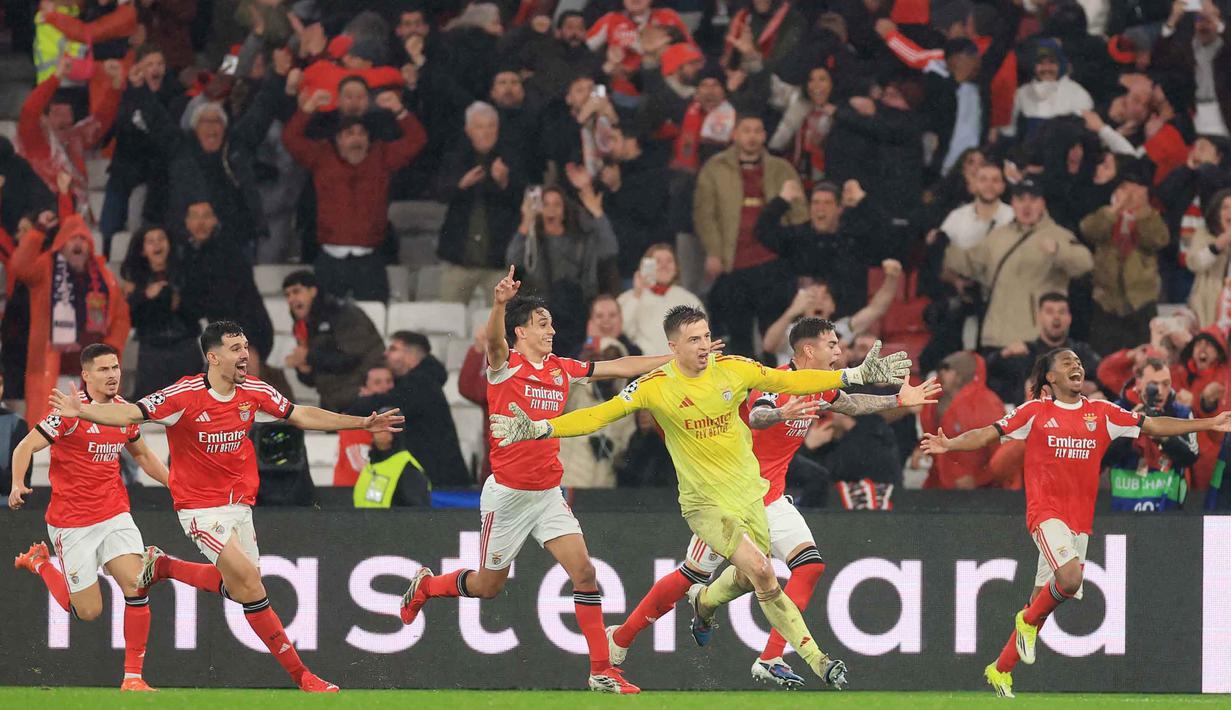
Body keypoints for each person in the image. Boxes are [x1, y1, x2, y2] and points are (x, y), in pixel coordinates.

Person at [490, 304, 914, 688]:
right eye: (693, 339)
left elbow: (790, 379)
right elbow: (598, 415)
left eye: (707, 336)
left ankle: (701, 605)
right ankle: (812, 660)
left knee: (747, 576)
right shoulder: (655, 386)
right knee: (760, 573)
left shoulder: (735, 368)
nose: (704, 346)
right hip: (708, 504)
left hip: (754, 494)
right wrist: (543, 427)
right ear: (673, 347)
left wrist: (857, 376)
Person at [47, 320, 407, 693]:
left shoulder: (254, 391)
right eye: (236, 349)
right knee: (250, 584)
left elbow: (301, 414)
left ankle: (165, 565)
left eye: (246, 347)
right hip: (199, 509)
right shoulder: (183, 395)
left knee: (242, 591)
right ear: (213, 356)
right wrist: (85, 412)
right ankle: (303, 676)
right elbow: (131, 413)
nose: (245, 355)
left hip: (240, 506)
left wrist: (361, 422)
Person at [606, 317, 938, 687]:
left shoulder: (818, 386)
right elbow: (761, 413)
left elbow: (849, 403)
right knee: (692, 575)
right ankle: (620, 639)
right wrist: (781, 413)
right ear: (808, 350)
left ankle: (769, 655)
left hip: (772, 497)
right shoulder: (772, 380)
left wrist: (897, 399)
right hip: (729, 499)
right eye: (832, 345)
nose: (838, 352)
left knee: (808, 566)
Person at [399, 267, 683, 694]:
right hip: (508, 497)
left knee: (585, 572)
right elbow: (492, 342)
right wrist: (497, 303)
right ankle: (428, 585)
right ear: (521, 332)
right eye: (543, 324)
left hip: (548, 494)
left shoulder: (560, 368)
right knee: (486, 585)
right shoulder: (504, 366)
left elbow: (618, 366)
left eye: (551, 323)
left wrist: (673, 359)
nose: (552, 330)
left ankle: (601, 670)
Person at [920, 347, 1231, 698]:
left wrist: (1209, 422)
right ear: (1050, 378)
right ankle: (1023, 622)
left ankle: (1001, 668)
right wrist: (951, 445)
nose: (1077, 366)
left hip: (1079, 521)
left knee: (1041, 601)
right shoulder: (1036, 412)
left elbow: (1153, 425)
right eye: (1067, 362)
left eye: (1079, 362)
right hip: (1045, 512)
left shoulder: (1102, 413)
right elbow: (989, 433)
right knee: (1069, 579)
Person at [9, 344, 175, 691]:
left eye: (115, 367)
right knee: (88, 612)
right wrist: (17, 484)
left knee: (136, 583)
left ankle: (132, 678)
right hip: (72, 523)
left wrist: (176, 484)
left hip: (114, 512)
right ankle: (41, 562)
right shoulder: (69, 414)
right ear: (86, 375)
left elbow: (142, 454)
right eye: (103, 369)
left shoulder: (122, 413)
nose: (113, 374)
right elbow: (25, 447)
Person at [282, 88, 427, 302]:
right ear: (338, 140)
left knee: (374, 320)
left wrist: (399, 110)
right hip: (329, 259)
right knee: (326, 322)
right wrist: (309, 108)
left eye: (361, 134)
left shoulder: (382, 157)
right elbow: (290, 138)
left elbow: (417, 139)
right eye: (349, 134)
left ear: (369, 139)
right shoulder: (322, 156)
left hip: (370, 260)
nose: (356, 139)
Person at [695, 113, 806, 357]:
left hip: (774, 264)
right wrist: (714, 252)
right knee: (738, 336)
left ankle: (776, 391)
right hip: (733, 264)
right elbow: (705, 214)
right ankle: (745, 393)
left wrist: (792, 252)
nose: (752, 137)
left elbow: (800, 214)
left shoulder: (782, 168)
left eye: (758, 131)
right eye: (746, 130)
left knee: (775, 337)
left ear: (765, 136)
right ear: (735, 134)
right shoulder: (715, 168)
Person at [944, 177, 1093, 351]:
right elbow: (969, 262)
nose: (1026, 206)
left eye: (1033, 200)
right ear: (1013, 203)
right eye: (1021, 200)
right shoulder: (998, 236)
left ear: (1043, 204)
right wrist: (942, 247)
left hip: (1035, 338)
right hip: (995, 335)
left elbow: (1085, 264)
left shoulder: (1058, 235)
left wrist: (1058, 251)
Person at [10, 207, 130, 424]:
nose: (78, 244)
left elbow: (121, 317)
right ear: (61, 244)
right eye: (72, 239)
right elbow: (19, 266)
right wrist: (38, 231)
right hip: (52, 367)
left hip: (92, 371)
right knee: (49, 432)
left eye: (82, 239)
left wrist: (110, 348)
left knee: (91, 434)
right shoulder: (46, 268)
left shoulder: (104, 276)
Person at [351, 331, 469, 489]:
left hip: (438, 481)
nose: (386, 354)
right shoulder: (420, 381)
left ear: (410, 355)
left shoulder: (421, 383)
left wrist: (358, 402)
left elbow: (389, 404)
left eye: (393, 349)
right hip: (436, 476)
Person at [436, 102, 525, 303]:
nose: (485, 132)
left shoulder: (511, 159)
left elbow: (523, 201)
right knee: (448, 319)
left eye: (490, 126)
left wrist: (504, 182)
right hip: (458, 259)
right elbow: (439, 194)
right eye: (479, 127)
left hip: (498, 261)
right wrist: (461, 185)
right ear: (468, 130)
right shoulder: (455, 158)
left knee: (501, 323)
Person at [1080, 160, 1169, 354]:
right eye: (1125, 188)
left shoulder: (1152, 218)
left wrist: (1142, 213)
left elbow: (1159, 240)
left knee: (1143, 357)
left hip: (1140, 303)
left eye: (1137, 189)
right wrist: (1115, 209)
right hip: (1106, 302)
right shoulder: (1106, 214)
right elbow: (1088, 230)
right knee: (1104, 361)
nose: (1130, 194)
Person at [281, 270, 385, 412]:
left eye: (296, 291)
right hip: (331, 400)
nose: (291, 299)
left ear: (313, 291)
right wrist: (303, 370)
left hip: (361, 397)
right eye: (287, 295)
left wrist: (308, 357)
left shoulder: (345, 314)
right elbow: (313, 379)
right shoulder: (301, 326)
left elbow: (351, 358)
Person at [1105, 357, 1199, 511]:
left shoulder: (1181, 412)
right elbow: (1103, 456)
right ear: (1138, 383)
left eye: (1166, 384)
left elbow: (1191, 456)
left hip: (1167, 510)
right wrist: (1130, 427)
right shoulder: (1117, 410)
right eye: (1153, 384)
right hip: (1124, 510)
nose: (1160, 391)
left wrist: (1165, 435)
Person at [121, 225, 204, 396]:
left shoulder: (187, 273)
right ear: (143, 250)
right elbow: (130, 319)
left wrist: (178, 301)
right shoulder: (135, 282)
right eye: (150, 241)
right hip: (152, 351)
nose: (157, 244)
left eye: (161, 239)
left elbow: (200, 310)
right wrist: (145, 296)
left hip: (184, 347)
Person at [984, 293, 1102, 404]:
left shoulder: (1082, 353)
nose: (1056, 317)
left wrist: (1090, 390)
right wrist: (1003, 354)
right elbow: (987, 373)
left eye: (1061, 312)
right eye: (1050, 312)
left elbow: (1106, 378)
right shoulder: (1025, 353)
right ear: (1039, 317)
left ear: (1069, 318)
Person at [919, 351, 1005, 489]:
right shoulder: (935, 402)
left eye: (948, 370)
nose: (942, 374)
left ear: (961, 375)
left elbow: (1001, 452)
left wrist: (978, 479)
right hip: (940, 483)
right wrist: (920, 450)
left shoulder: (986, 404)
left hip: (982, 488)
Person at [618, 243, 703, 355]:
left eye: (669, 261)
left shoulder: (689, 299)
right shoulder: (628, 298)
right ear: (646, 266)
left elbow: (701, 333)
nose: (664, 266)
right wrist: (637, 295)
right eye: (658, 261)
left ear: (676, 268)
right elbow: (622, 329)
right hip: (644, 364)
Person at [352, 424, 432, 508]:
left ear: (395, 432)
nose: (376, 431)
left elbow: (418, 514)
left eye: (382, 428)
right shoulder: (371, 464)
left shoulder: (408, 469)